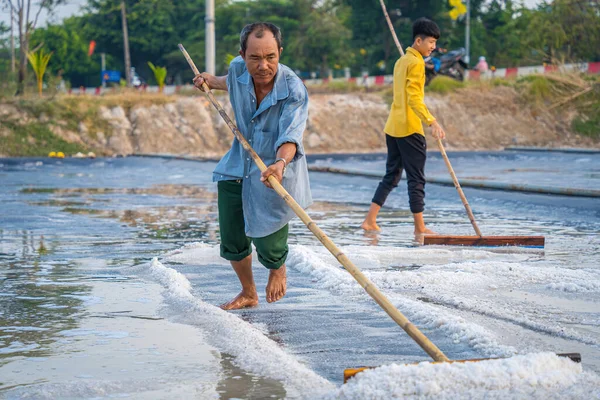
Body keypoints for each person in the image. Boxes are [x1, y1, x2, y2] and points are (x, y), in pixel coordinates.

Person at [193, 22, 311, 310]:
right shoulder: (237, 69)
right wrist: (208, 80)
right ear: (242, 55)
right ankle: (248, 292)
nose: (263, 65)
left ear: (280, 53)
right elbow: (228, 80)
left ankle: (277, 268)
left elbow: (290, 136)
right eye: (255, 58)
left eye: (270, 57)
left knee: (270, 243)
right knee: (232, 238)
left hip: (274, 169)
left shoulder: (293, 90)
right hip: (237, 163)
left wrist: (280, 163)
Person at [361, 18, 446, 240]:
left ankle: (370, 220)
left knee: (391, 175)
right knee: (416, 178)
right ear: (418, 40)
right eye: (430, 42)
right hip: (409, 128)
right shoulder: (416, 63)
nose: (433, 47)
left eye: (435, 43)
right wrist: (432, 121)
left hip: (393, 126)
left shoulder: (402, 61)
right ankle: (420, 227)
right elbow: (414, 98)